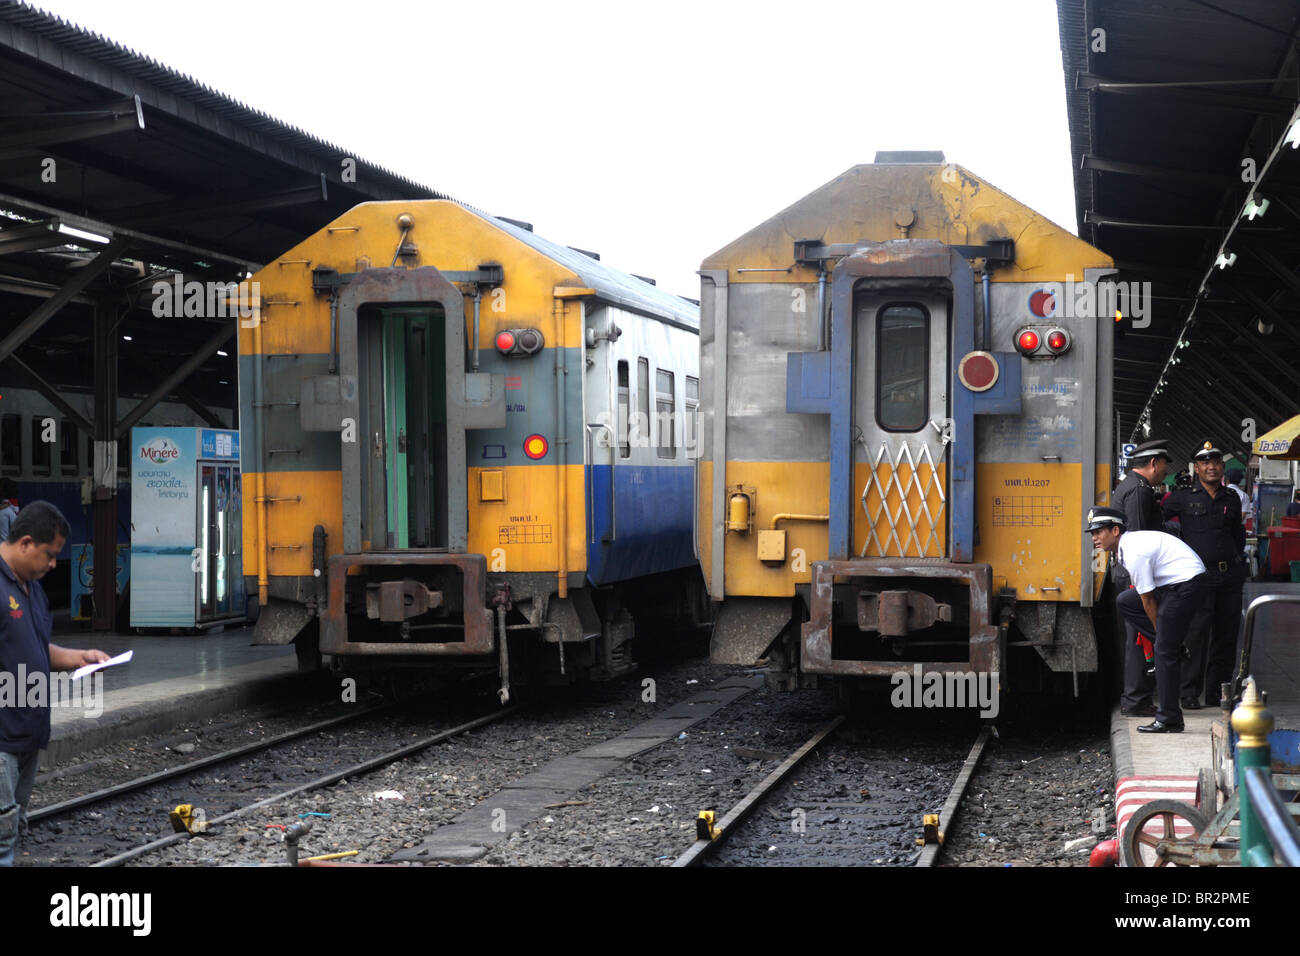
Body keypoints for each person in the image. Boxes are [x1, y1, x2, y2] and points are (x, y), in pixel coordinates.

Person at [0, 501, 109, 866]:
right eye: (49, 555)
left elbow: (34, 646)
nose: (53, 564)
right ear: (26, 542)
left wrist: (79, 657)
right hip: (1, 740)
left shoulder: (31, 587)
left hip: (27, 736)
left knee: (12, 830)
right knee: (1, 839)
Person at [1088, 506, 1207, 733]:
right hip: (1173, 583)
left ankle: (1169, 719)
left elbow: (1148, 600)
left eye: (1099, 532)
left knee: (1163, 651)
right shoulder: (1126, 547)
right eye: (1092, 533)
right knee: (1125, 600)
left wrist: (1160, 638)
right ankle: (1173, 645)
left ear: (1115, 531)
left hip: (1186, 585)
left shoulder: (1134, 553)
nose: (1094, 538)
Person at [1162, 442, 1247, 710]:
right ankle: (1189, 693)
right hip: (1198, 577)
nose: (1211, 467)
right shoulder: (1182, 496)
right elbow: (1157, 520)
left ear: (1222, 466)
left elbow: (1236, 534)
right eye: (1205, 462)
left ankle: (1217, 692)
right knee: (1195, 635)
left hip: (1229, 576)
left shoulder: (1231, 498)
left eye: (1216, 462)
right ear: (1196, 468)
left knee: (1226, 636)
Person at [1111, 439, 1172, 717]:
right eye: (1163, 465)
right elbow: (1136, 538)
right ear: (1153, 464)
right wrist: (1141, 584)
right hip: (1135, 575)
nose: (1165, 471)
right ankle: (1136, 700)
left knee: (1137, 637)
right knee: (1139, 639)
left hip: (1131, 573)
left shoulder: (1132, 486)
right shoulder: (1139, 491)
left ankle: (1135, 697)